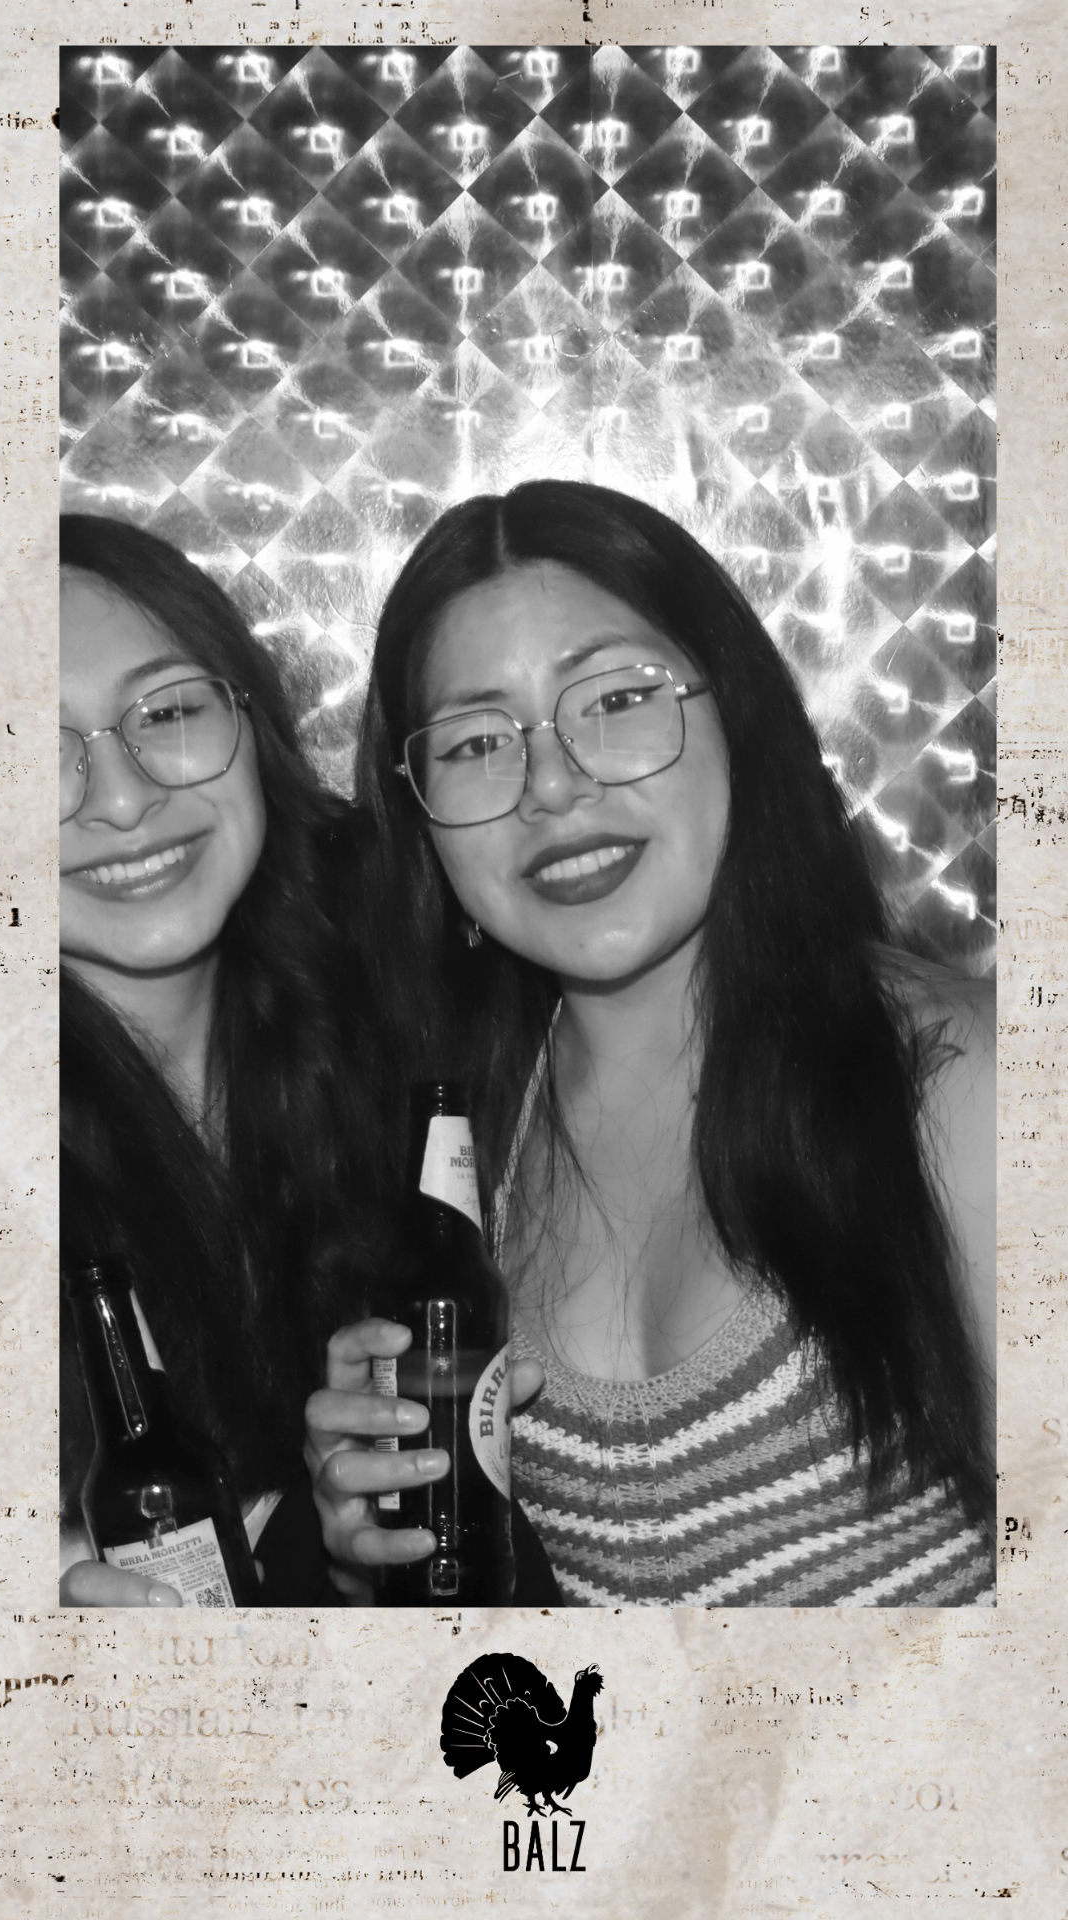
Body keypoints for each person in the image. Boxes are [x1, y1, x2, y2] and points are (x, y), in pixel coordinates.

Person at [319, 477, 995, 1608]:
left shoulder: (956, 1083)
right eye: (476, 741)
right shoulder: (456, 1152)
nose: (551, 787)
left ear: (736, 712)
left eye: (618, 698)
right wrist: (370, 1554)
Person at [60, 515, 562, 1607]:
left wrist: (353, 1544)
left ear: (251, 719)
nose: (123, 798)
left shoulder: (401, 978)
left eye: (168, 712)